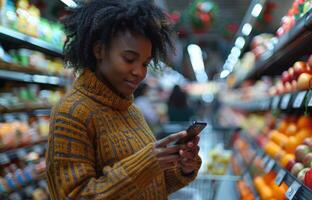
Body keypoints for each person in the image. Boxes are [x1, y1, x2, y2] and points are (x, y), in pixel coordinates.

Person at [45, 1, 201, 199]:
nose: (139, 72)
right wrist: (146, 164)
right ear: (99, 50)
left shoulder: (132, 110)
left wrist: (182, 167)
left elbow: (151, 185)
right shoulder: (72, 113)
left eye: (145, 63)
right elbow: (73, 196)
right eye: (129, 59)